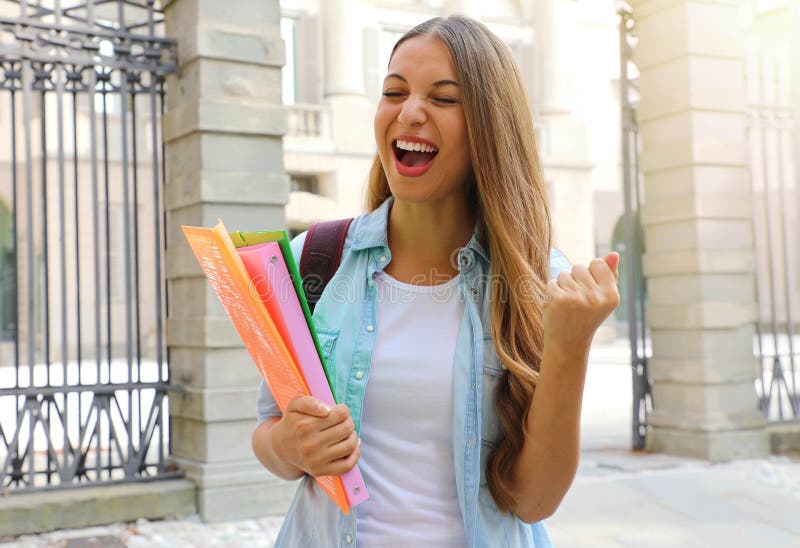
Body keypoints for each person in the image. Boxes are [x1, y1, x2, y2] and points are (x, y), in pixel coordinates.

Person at [252, 14, 620, 547]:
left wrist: (570, 344)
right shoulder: (316, 259)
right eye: (394, 92)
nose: (410, 112)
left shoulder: (543, 283)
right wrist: (291, 445)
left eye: (444, 99)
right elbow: (267, 432)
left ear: (490, 127)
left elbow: (534, 499)